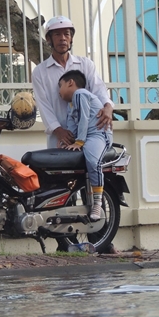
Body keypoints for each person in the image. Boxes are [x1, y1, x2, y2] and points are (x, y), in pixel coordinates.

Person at [32, 15, 114, 150]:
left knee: (91, 167)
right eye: (57, 34)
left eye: (67, 34)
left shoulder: (86, 65)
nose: (62, 38)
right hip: (60, 139)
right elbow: (43, 106)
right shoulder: (40, 72)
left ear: (71, 38)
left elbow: (99, 90)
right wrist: (58, 131)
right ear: (48, 39)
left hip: (90, 135)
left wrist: (108, 107)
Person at [58, 70, 113, 221]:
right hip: (85, 137)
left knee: (92, 160)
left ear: (70, 83)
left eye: (60, 86)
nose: (58, 92)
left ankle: (97, 202)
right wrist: (67, 141)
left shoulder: (80, 94)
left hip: (98, 134)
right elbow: (72, 126)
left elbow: (84, 118)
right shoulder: (70, 104)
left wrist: (79, 141)